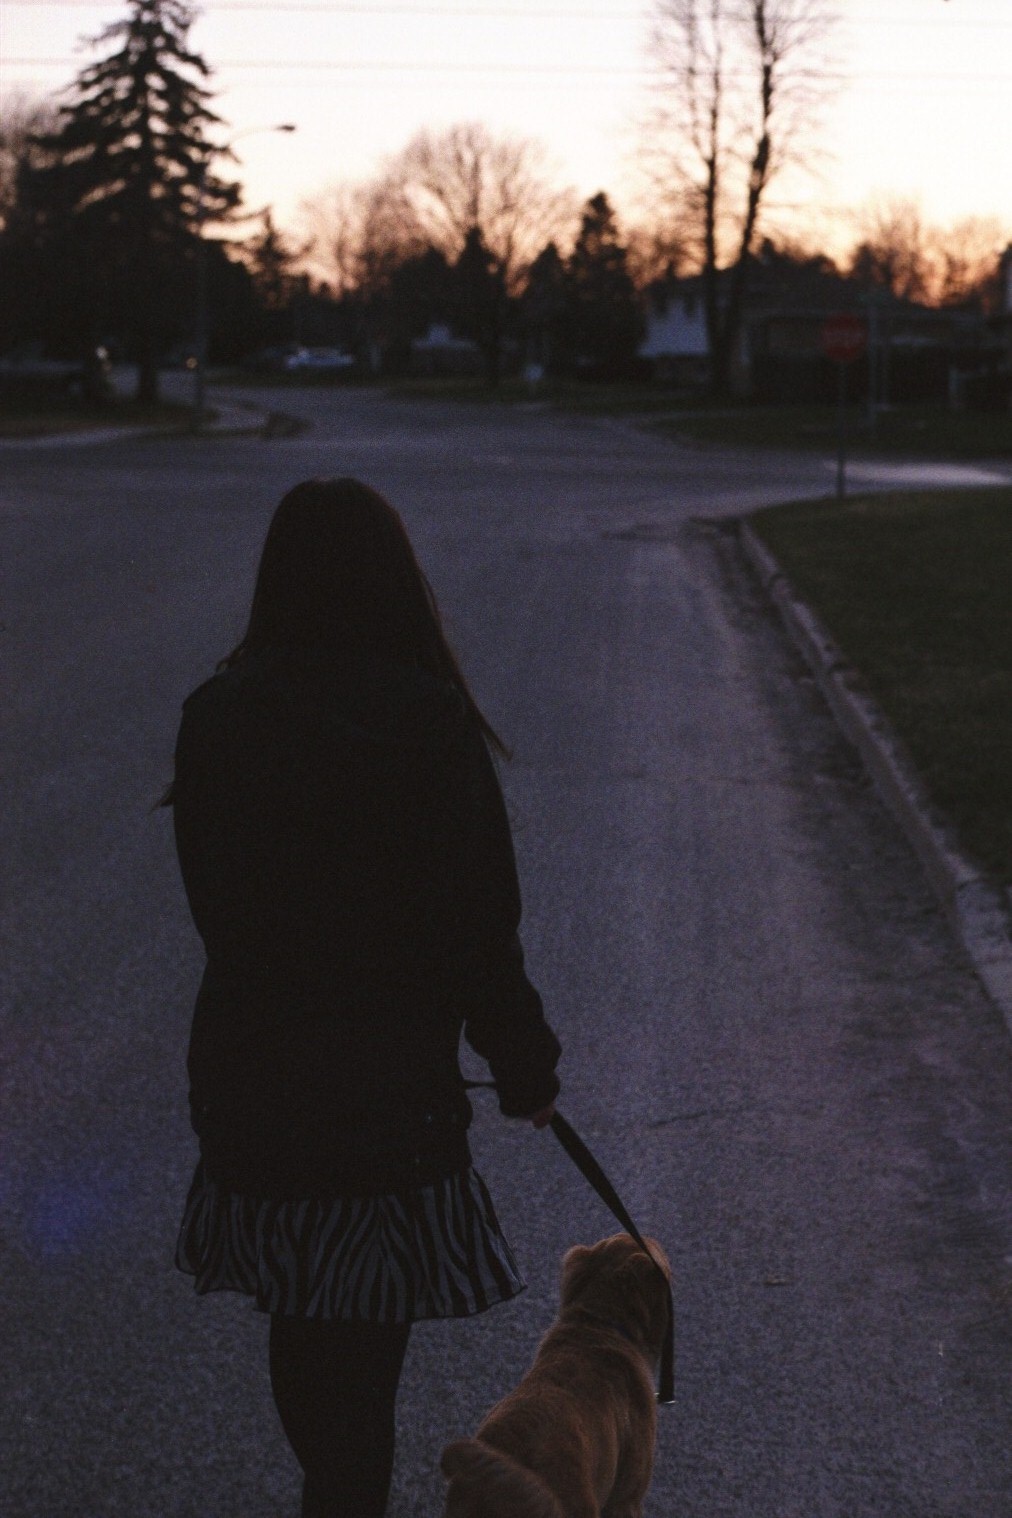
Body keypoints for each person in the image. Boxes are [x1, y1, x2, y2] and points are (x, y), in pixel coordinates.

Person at [167, 478, 562, 1518]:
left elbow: (215, 906)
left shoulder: (216, 718)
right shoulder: (428, 724)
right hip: (385, 1099)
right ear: (395, 584)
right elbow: (479, 926)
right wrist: (523, 1065)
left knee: (306, 1332)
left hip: (255, 1087)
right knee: (357, 1378)